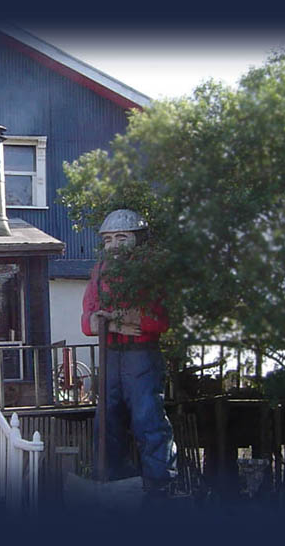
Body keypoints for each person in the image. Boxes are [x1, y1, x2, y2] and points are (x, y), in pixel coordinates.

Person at [81, 209, 176, 503]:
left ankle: (160, 484)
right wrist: (99, 321)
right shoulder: (98, 271)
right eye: (108, 239)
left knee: (148, 417)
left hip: (140, 354)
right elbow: (88, 317)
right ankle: (109, 479)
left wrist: (133, 319)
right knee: (105, 419)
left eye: (122, 237)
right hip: (111, 352)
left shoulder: (151, 271)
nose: (114, 244)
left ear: (137, 239)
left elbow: (161, 317)